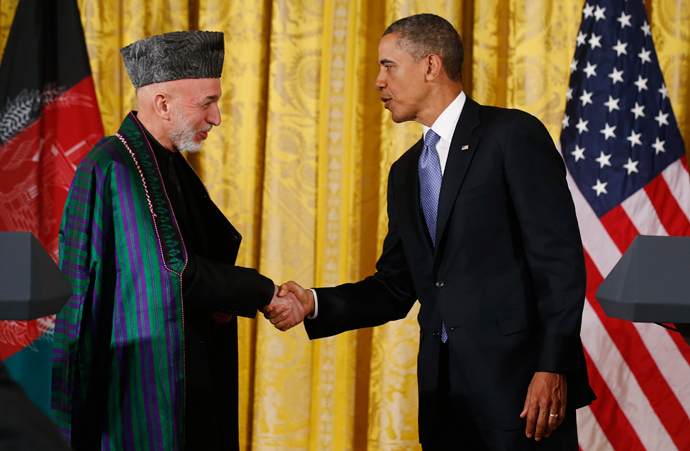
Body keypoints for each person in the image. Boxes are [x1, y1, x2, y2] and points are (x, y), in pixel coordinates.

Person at [266, 13, 596, 450]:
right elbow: (396, 286)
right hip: (443, 397)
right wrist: (314, 303)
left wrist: (554, 367)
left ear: (430, 66)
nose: (379, 82)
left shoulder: (511, 135)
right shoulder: (405, 173)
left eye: (388, 66)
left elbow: (560, 264)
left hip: (520, 390)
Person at [51, 31, 306, 450]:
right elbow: (173, 271)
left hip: (192, 376)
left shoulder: (169, 165)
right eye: (207, 102)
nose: (218, 117)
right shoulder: (115, 167)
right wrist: (263, 291)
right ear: (163, 103)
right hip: (141, 387)